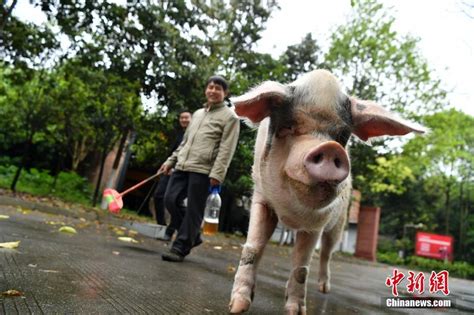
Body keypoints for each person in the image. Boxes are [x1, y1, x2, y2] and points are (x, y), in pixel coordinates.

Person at [158, 75, 240, 262]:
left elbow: (227, 149)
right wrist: (170, 161)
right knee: (170, 200)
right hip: (182, 165)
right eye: (210, 87)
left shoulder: (230, 117)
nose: (213, 91)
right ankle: (193, 235)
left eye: (218, 88)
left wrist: (217, 174)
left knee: (194, 210)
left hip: (204, 170)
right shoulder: (197, 114)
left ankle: (180, 247)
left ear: (225, 93)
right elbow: (185, 143)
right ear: (206, 89)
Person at [154, 110, 191, 241]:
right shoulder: (180, 134)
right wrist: (166, 165)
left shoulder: (192, 134)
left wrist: (175, 167)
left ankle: (171, 231)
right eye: (181, 118)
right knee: (159, 196)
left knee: (174, 201)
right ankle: (161, 227)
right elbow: (174, 153)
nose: (184, 120)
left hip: (180, 172)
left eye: (186, 117)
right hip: (169, 170)